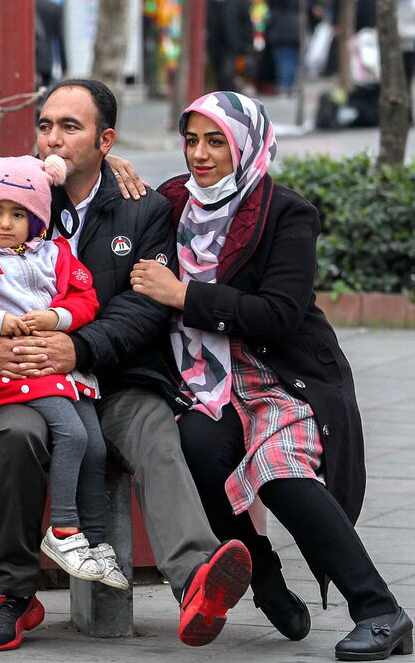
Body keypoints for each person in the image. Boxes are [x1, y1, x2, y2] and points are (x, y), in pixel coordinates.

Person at [0, 79, 252, 652]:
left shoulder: (144, 210)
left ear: (105, 140)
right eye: (44, 125)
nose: (52, 140)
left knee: (157, 433)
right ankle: (14, 594)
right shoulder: (6, 195)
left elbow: (142, 311)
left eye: (70, 127)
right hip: (24, 381)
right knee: (13, 436)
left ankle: (196, 583)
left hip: (116, 380)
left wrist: (78, 349)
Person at [132, 90, 413, 661]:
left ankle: (380, 609)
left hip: (280, 375)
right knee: (194, 448)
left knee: (277, 471)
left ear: (247, 146)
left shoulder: (285, 212)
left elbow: (281, 315)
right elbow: (102, 204)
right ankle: (263, 576)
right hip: (206, 384)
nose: (201, 154)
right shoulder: (170, 206)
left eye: (216, 141)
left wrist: (185, 295)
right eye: (192, 141)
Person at [0, 154, 128, 591]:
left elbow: (86, 299)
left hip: (59, 368)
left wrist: (58, 318)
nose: (4, 223)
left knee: (94, 445)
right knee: (73, 436)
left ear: (38, 217)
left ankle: (94, 542)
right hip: (11, 372)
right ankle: (63, 530)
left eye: (18, 214)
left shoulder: (54, 254)